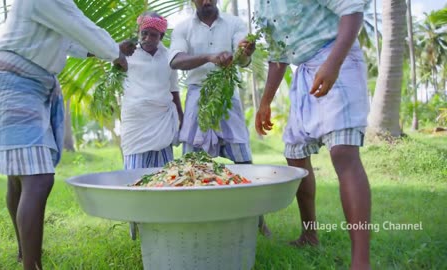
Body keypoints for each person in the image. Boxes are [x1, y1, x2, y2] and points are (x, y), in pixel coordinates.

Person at [0, 0, 127, 269]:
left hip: (22, 86)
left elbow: (69, 42)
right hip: (13, 85)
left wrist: (112, 50)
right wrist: (115, 52)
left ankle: (25, 253)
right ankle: (32, 265)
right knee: (39, 178)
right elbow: (82, 28)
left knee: (19, 176)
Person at [254, 1, 371, 269]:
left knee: (343, 151)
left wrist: (332, 64)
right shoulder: (262, 7)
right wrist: (265, 102)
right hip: (305, 72)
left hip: (337, 60)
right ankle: (310, 235)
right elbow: (278, 56)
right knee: (295, 155)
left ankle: (361, 261)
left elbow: (352, 12)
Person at [169, 0, 270, 236]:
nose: (206, 1)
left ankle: (257, 221)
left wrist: (245, 52)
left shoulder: (235, 23)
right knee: (190, 165)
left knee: (243, 162)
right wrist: (209, 57)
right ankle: (192, 222)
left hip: (227, 95)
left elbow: (243, 58)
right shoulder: (183, 27)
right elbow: (175, 61)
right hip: (197, 97)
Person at [120, 12, 183, 170]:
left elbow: (174, 90)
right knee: (134, 177)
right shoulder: (127, 53)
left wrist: (182, 119)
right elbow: (108, 57)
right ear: (138, 33)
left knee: (165, 176)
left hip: (162, 121)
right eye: (144, 33)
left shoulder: (169, 57)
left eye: (153, 35)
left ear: (161, 36)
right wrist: (118, 51)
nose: (147, 38)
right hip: (136, 123)